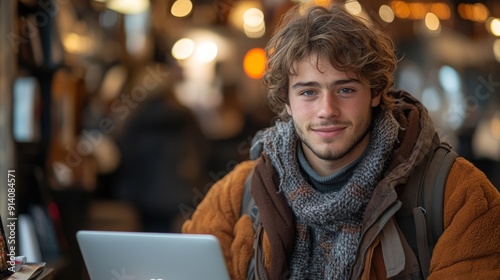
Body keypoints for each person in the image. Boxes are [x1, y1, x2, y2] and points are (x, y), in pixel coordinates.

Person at [182, 3, 500, 280]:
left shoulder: (458, 196)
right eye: (308, 92)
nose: (327, 110)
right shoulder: (238, 194)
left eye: (345, 89)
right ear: (287, 103)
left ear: (376, 93)